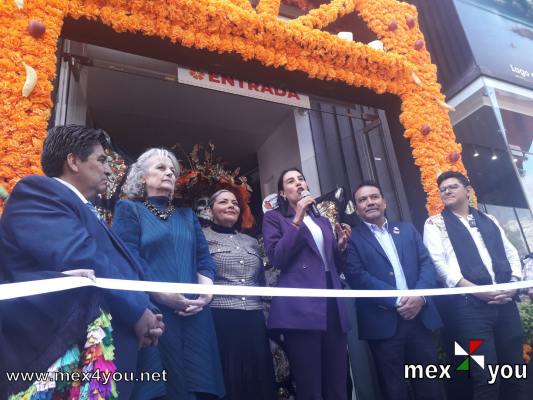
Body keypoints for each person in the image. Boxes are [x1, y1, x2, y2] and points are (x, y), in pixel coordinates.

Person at [0, 125, 164, 399]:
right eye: (101, 160)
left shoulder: (88, 212)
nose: (110, 170)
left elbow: (119, 266)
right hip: (58, 361)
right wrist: (138, 310)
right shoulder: (38, 192)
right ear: (73, 161)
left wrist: (150, 309)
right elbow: (82, 257)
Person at [113, 148, 225, 400]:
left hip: (195, 312)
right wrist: (162, 295)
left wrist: (204, 296)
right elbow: (128, 260)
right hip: (155, 312)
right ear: (142, 177)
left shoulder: (187, 216)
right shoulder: (128, 209)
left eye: (172, 170)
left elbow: (204, 260)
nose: (169, 173)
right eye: (161, 168)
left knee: (198, 386)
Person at [423, 171, 526, 400]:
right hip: (470, 310)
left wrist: (513, 284)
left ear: (467, 190)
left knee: (515, 371)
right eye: (443, 189)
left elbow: (511, 253)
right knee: (485, 376)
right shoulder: (434, 224)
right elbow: (440, 266)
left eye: (452, 187)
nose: (446, 191)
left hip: (505, 303)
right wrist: (477, 290)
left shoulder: (489, 220)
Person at [344, 181, 443, 400]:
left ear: (384, 201)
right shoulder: (352, 239)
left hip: (420, 318)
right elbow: (357, 276)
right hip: (383, 323)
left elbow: (427, 264)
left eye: (374, 197)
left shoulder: (407, 229)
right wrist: (398, 299)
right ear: (357, 208)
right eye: (362, 200)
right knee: (393, 389)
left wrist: (419, 296)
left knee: (430, 386)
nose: (369, 202)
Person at [262, 168, 352, 400]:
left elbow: (331, 264)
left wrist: (340, 247)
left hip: (331, 303)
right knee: (310, 383)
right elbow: (277, 258)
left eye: (301, 179)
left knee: (338, 381)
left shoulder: (321, 220)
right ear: (283, 193)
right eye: (291, 181)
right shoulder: (274, 218)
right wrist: (297, 219)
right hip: (300, 309)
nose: (298, 183)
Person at [203, 189, 276, 400]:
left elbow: (261, 281)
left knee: (258, 379)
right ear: (210, 210)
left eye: (234, 203)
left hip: (253, 318)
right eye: (223, 202)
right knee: (229, 377)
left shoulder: (251, 242)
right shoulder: (201, 237)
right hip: (221, 317)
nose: (231, 206)